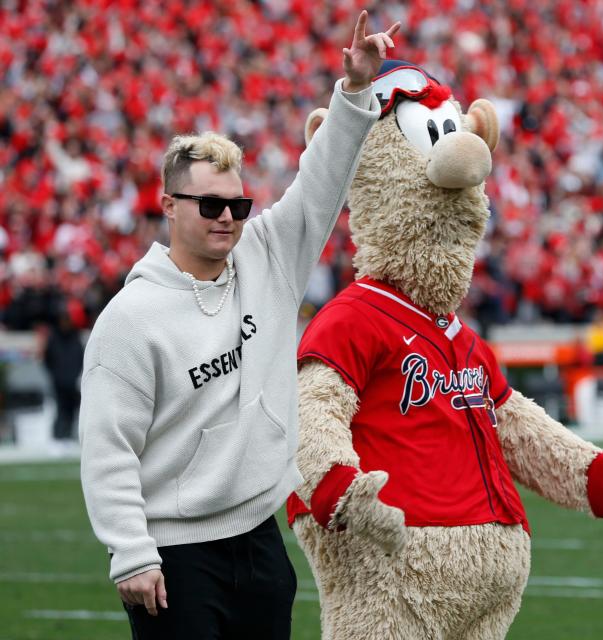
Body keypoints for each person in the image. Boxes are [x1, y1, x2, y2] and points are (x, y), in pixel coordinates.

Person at [78, 12, 396, 639]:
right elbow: (107, 446)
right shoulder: (130, 318)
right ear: (169, 205)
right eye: (211, 205)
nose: (228, 218)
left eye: (239, 205)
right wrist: (132, 552)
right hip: (176, 557)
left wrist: (354, 93)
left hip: (259, 539)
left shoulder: (266, 257)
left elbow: (318, 186)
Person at [43, 306, 85, 441]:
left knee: (73, 411)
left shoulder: (75, 337)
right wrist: (55, 375)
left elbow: (81, 358)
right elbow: (47, 360)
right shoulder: (53, 338)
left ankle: (70, 437)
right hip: (59, 382)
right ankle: (58, 437)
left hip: (73, 382)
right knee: (60, 410)